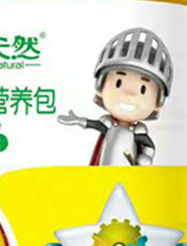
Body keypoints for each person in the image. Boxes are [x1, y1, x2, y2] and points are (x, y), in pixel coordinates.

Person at [58, 27, 174, 165]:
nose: (130, 94)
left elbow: (149, 146)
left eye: (143, 89)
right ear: (100, 85)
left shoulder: (138, 131)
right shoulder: (108, 123)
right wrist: (78, 120)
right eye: (118, 83)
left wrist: (146, 157)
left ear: (159, 101)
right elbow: (95, 125)